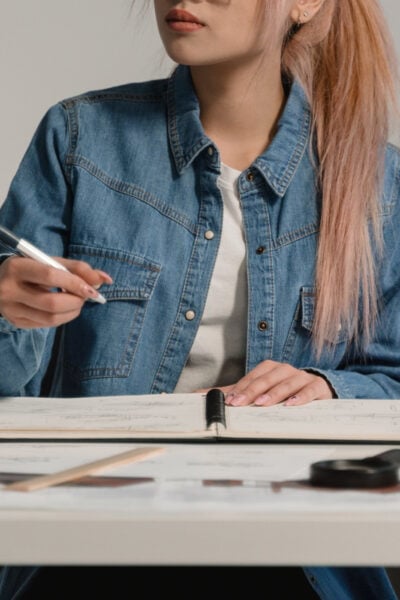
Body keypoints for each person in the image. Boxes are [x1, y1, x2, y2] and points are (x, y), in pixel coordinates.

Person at [0, 0, 399, 597]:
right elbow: (12, 394)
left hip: (292, 552)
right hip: (94, 539)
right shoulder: (80, 137)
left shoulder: (375, 182)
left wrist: (331, 386)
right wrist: (7, 310)